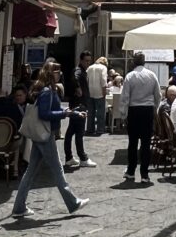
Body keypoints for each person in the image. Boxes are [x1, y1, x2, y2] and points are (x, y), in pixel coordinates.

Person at [11, 59, 89, 219]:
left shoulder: (47, 90)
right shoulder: (47, 91)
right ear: (49, 73)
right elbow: (44, 114)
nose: (59, 73)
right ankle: (72, 202)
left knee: (30, 171)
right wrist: (65, 114)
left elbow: (53, 109)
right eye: (56, 71)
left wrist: (72, 112)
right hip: (45, 135)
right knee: (57, 171)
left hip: (42, 135)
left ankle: (19, 207)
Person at [120, 52, 161, 183]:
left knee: (132, 143)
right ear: (144, 62)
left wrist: (123, 115)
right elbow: (158, 95)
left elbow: (125, 97)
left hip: (134, 110)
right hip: (147, 110)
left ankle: (131, 171)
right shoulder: (152, 75)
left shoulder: (130, 76)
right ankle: (145, 174)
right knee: (145, 143)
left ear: (133, 62)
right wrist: (155, 108)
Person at [63, 68, 97, 171]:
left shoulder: (80, 71)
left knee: (71, 132)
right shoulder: (78, 71)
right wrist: (78, 88)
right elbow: (75, 78)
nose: (87, 63)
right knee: (79, 133)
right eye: (86, 61)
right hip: (79, 104)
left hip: (77, 103)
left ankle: (69, 157)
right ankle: (82, 158)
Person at [86, 56, 108, 136]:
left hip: (90, 91)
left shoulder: (90, 67)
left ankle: (89, 129)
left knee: (90, 112)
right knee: (100, 112)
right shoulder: (103, 68)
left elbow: (87, 79)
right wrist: (104, 91)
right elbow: (103, 80)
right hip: (99, 92)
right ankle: (100, 129)